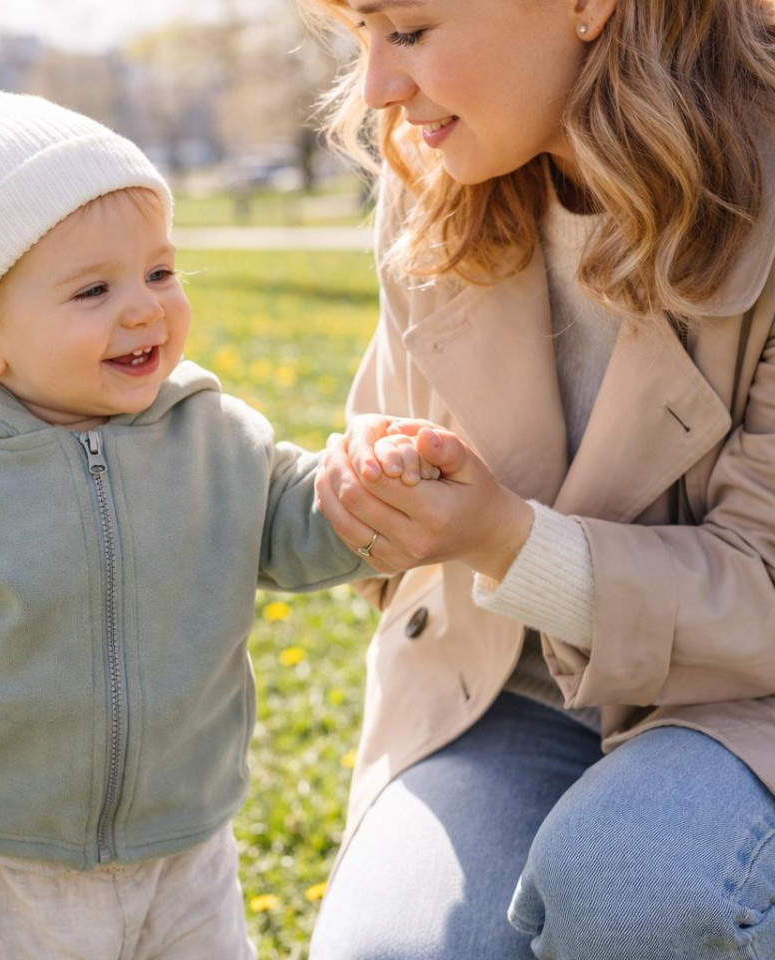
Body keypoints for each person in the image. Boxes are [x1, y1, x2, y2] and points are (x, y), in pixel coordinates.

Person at [0, 79, 436, 960]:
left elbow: (295, 523)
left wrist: (366, 489)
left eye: (159, 271)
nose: (144, 307)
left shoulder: (214, 438)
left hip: (184, 847)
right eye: (92, 291)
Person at [302, 0, 775, 957]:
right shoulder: (434, 172)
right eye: (363, 37)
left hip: (747, 701)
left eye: (412, 31)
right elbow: (385, 476)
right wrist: (370, 493)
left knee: (634, 884)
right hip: (501, 682)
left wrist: (508, 539)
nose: (378, 92)